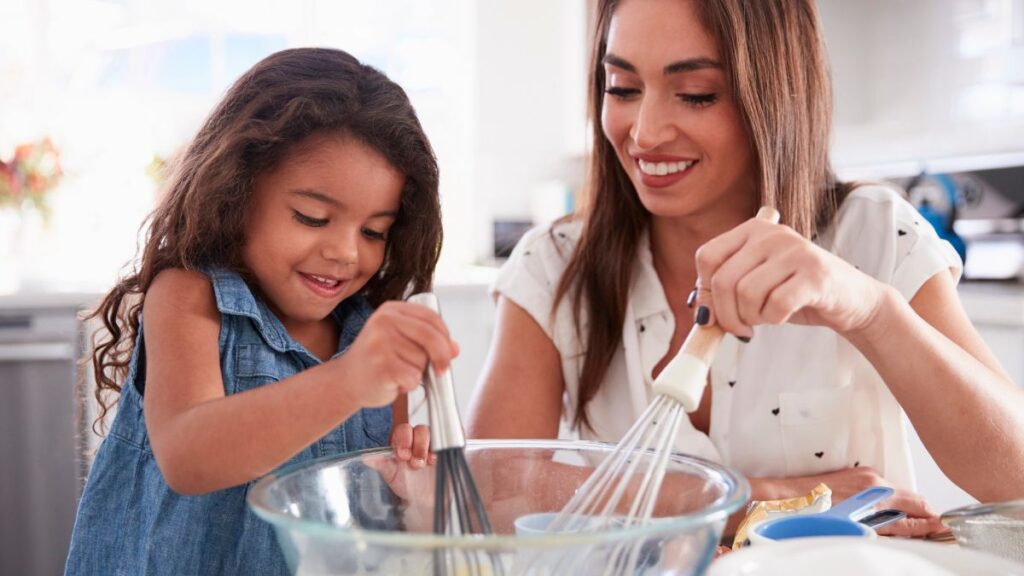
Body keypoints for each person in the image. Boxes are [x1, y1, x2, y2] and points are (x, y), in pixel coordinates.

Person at [467, 0, 1024, 538]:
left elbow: (1016, 477)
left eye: (695, 95)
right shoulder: (555, 265)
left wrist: (874, 313)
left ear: (775, 94)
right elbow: (483, 490)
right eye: (623, 88)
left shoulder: (872, 235)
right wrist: (749, 499)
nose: (645, 132)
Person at [65, 47, 455, 575]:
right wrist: (349, 381)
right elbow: (188, 455)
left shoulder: (372, 338)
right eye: (313, 217)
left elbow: (373, 546)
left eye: (373, 232)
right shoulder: (189, 297)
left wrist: (416, 497)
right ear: (236, 191)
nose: (345, 251)